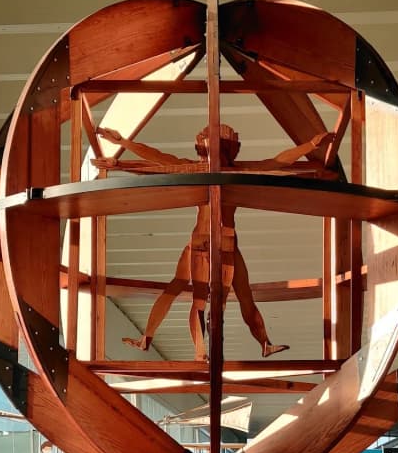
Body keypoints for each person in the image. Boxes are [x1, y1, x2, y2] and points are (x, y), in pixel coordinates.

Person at [98, 125, 331, 360]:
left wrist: (310, 146)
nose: (214, 151)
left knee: (241, 294)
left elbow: (278, 162)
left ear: (230, 149)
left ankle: (264, 344)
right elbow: (159, 163)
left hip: (228, 242)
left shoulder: (240, 171)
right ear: (203, 146)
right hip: (202, 242)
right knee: (193, 296)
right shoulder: (196, 168)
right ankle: (186, 349)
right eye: (210, 145)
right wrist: (122, 150)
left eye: (221, 145)